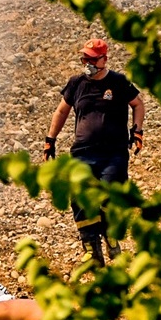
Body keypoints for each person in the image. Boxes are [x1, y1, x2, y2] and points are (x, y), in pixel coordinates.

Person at [43, 38, 145, 265]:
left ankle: (111, 236)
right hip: (82, 152)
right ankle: (91, 247)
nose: (86, 63)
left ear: (104, 59)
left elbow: (138, 104)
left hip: (114, 153)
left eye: (91, 59)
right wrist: (50, 139)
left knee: (110, 194)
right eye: (84, 58)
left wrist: (137, 132)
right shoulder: (77, 83)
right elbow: (61, 112)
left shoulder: (118, 82)